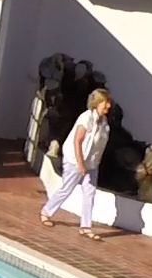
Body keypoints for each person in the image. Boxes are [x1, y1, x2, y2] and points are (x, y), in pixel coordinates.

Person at [38, 88, 114, 239]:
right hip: (75, 159)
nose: (109, 106)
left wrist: (94, 163)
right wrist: (80, 164)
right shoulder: (86, 118)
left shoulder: (104, 122)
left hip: (91, 163)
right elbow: (77, 142)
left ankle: (85, 226)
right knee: (67, 188)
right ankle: (46, 211)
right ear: (97, 103)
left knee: (89, 193)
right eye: (106, 103)